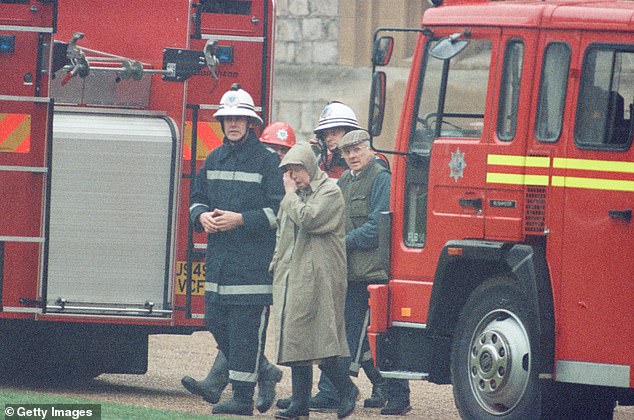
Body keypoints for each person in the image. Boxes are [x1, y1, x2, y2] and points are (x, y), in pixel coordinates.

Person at [184, 83, 285, 416]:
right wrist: (201, 216)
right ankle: (265, 370)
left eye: (239, 118)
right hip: (219, 266)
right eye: (227, 118)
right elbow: (196, 198)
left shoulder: (268, 161)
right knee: (215, 322)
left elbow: (279, 212)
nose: (233, 123)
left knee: (244, 333)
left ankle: (242, 398)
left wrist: (241, 219)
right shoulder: (213, 158)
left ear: (251, 122)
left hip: (253, 266)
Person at [270, 143, 359, 420]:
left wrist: (289, 196)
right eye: (289, 171)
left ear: (310, 166)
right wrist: (275, 263)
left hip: (321, 277)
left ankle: (346, 389)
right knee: (297, 339)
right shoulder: (296, 195)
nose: (293, 176)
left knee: (321, 339)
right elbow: (283, 233)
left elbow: (309, 219)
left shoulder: (330, 191)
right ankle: (300, 404)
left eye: (297, 170)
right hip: (292, 275)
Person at [336, 129, 411, 416]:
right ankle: (382, 388)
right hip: (352, 274)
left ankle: (399, 395)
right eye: (347, 151)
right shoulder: (344, 180)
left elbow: (377, 229)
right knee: (359, 338)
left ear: (369, 149)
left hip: (374, 275)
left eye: (357, 149)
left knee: (380, 338)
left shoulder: (381, 178)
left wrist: (341, 244)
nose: (353, 156)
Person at [312, 102, 362, 179]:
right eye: (325, 135)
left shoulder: (369, 161)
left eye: (334, 133)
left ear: (349, 132)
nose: (328, 139)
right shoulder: (324, 164)